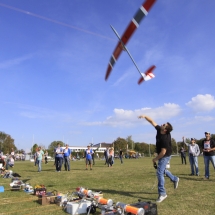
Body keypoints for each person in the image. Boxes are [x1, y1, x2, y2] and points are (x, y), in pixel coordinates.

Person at [138, 115, 179, 203]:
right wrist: (145, 116)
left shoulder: (165, 139)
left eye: (164, 124)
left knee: (159, 172)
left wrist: (155, 159)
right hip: (162, 154)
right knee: (162, 170)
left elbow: (163, 152)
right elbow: (152, 121)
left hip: (165, 155)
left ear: (165, 130)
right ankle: (175, 179)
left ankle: (162, 193)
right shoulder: (159, 129)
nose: (162, 124)